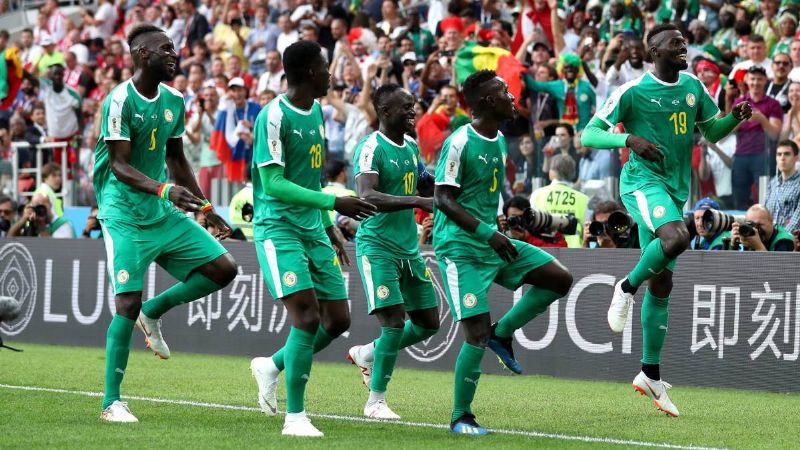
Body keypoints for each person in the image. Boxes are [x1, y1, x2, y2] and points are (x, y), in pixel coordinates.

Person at [581, 24, 752, 417]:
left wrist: (735, 118)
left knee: (664, 281)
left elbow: (711, 130)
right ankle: (625, 287)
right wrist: (628, 140)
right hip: (642, 182)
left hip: (674, 190)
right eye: (674, 43)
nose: (683, 47)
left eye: (684, 42)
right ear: (653, 49)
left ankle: (650, 374)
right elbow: (589, 135)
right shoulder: (632, 92)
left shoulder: (692, 86)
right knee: (677, 237)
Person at [94, 24, 238, 423]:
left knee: (224, 269)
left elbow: (177, 160)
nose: (174, 55)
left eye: (174, 49)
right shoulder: (118, 100)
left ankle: (154, 311)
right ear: (141, 54)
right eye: (165, 49)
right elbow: (120, 165)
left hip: (161, 210)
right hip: (123, 213)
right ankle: (111, 402)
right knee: (126, 302)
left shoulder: (175, 99)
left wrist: (206, 208)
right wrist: (162, 190)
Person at [247, 41, 376, 438]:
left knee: (338, 320)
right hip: (278, 228)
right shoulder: (272, 116)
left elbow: (311, 177)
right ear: (306, 73)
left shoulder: (317, 111)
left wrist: (329, 224)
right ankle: (295, 416)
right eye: (324, 67)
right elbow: (274, 183)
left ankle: (270, 365)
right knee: (305, 317)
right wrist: (334, 202)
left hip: (311, 226)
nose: (331, 74)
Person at [434, 70, 573, 435]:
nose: (513, 96)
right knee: (474, 334)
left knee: (559, 279)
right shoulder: (459, 142)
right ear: (486, 102)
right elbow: (442, 199)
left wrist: (495, 224)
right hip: (460, 247)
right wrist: (486, 231)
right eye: (505, 91)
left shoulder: (497, 139)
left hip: (490, 239)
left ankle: (504, 331)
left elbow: (479, 194)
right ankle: (461, 417)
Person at [346, 84, 440, 420]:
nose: (413, 111)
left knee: (429, 323)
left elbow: (424, 181)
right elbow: (367, 194)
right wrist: (416, 200)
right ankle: (375, 402)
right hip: (377, 246)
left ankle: (368, 353)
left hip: (408, 249)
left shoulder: (412, 146)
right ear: (385, 112)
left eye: (413, 105)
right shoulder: (371, 147)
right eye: (406, 107)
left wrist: (447, 187)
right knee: (395, 324)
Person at [530, 153, 587, 248]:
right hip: (574, 253)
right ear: (573, 173)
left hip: (543, 252)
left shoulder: (537, 195)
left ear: (552, 172)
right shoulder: (583, 199)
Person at [764, 140, 800, 231]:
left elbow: (797, 220)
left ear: (796, 158)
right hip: (770, 238)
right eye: (779, 154)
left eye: (787, 154)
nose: (782, 158)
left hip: (789, 240)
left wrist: (780, 238)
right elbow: (764, 214)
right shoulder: (773, 183)